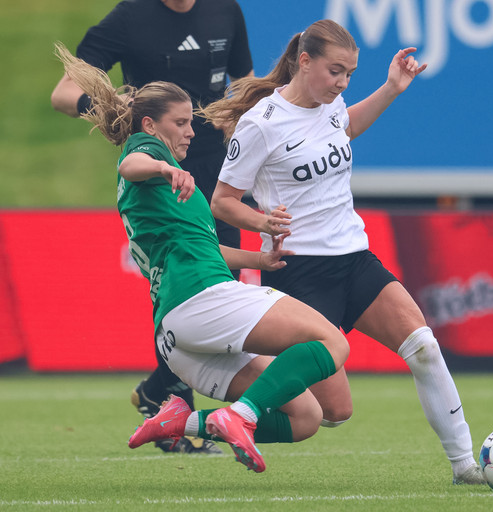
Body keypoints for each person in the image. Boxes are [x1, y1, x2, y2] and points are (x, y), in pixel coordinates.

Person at [200, 19, 485, 484]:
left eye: (350, 74)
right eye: (335, 71)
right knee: (333, 412)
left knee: (424, 346)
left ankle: (465, 466)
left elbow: (345, 127)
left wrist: (391, 89)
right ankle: (205, 418)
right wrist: (262, 222)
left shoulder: (331, 106)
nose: (343, 83)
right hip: (298, 273)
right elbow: (222, 201)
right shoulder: (261, 124)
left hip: (354, 259)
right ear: (304, 61)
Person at [54, 42, 349, 473]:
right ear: (150, 125)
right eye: (181, 123)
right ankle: (240, 416)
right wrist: (163, 167)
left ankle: (181, 420)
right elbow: (130, 164)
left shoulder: (170, 187)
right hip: (203, 301)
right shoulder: (148, 153)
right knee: (332, 342)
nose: (191, 132)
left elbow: (203, 248)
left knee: (306, 417)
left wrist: (259, 261)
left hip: (177, 336)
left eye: (190, 122)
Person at [50, 0, 254, 454]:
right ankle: (175, 405)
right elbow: (62, 94)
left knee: (226, 290)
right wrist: (114, 111)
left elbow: (243, 87)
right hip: (160, 171)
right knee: (183, 291)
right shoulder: (129, 17)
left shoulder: (225, 10)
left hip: (218, 170)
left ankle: (158, 392)